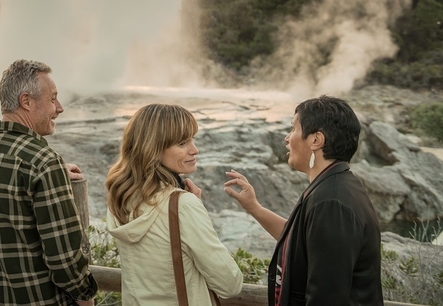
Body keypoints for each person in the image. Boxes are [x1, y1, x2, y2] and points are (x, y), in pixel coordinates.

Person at [0, 59, 98, 305]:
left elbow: (2, 180)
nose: (60, 108)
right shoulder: (43, 162)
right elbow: (64, 261)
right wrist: (86, 296)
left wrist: (52, 174)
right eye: (53, 99)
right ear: (26, 101)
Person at [223, 95, 384, 306]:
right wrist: (254, 207)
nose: (287, 138)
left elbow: (327, 298)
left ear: (316, 140)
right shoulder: (332, 185)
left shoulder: (332, 202)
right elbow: (300, 242)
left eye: (293, 129)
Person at [105, 103, 242, 306]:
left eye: (192, 140)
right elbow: (230, 284)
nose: (195, 150)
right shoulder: (183, 206)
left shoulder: (120, 199)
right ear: (153, 148)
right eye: (182, 143)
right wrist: (195, 209)